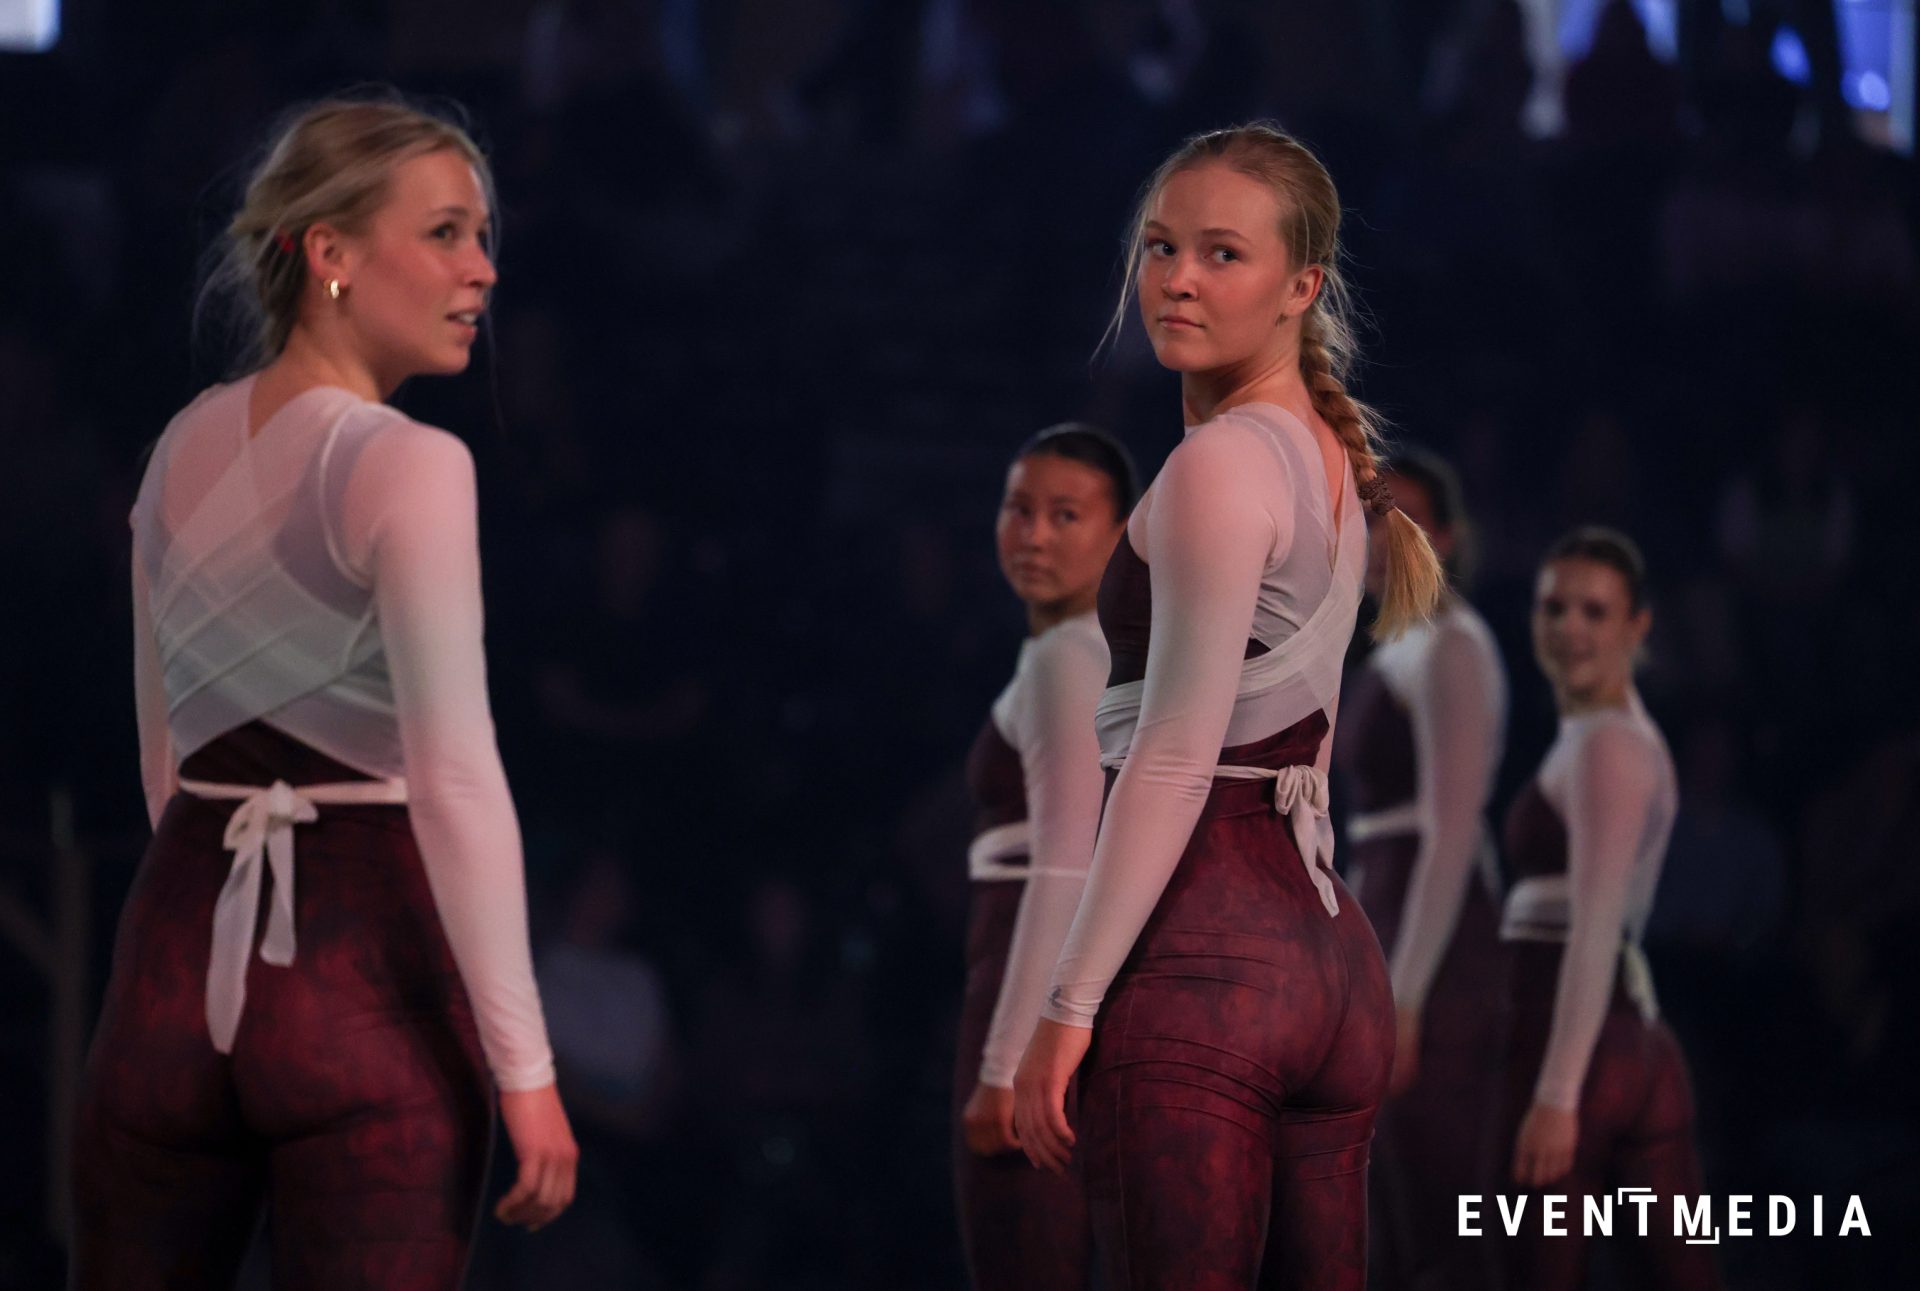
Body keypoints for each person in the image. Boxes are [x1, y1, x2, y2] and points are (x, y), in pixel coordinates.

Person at [72, 95, 577, 1289]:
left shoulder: (178, 444)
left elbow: (164, 759)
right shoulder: (407, 461)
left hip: (167, 969)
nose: (483, 268)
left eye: (482, 235)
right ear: (331, 253)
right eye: (445, 233)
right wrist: (528, 1071)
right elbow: (455, 779)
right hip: (358, 978)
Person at [1012, 122, 1444, 1290]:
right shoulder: (1324, 459)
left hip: (1209, 964)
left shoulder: (1221, 462)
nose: (1179, 279)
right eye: (1161, 247)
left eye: (1221, 253)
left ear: (1303, 285)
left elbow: (1174, 756)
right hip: (1329, 963)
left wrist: (1066, 1002)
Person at [1499, 527, 1720, 1290]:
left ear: (1638, 625)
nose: (1570, 627)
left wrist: (1557, 1094)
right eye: (1554, 607)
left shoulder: (1609, 747)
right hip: (1621, 1038)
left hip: (1580, 1044)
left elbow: (1595, 928)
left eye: (1595, 611)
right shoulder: (1601, 738)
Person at [954, 424, 1134, 1291]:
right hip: (1034, 977)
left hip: (1026, 986)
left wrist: (1004, 1066)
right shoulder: (1073, 650)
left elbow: (1065, 862)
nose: (1033, 535)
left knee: (1028, 1256)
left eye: (1066, 515)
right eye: (1019, 509)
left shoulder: (1069, 656)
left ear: (1121, 532)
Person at [1331, 450, 1508, 1290]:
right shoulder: (1397, 649)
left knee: (1438, 1189)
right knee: (1388, 1198)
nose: (1380, 537)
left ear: (1447, 537)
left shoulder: (1453, 647)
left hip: (1439, 947)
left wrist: (1406, 994)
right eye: (1371, 517)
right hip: (1388, 919)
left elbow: (1451, 832)